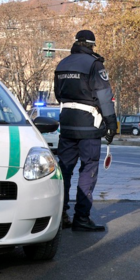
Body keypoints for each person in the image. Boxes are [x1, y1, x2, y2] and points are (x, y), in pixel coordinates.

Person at [54, 29, 118, 232]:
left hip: (66, 124)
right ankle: (81, 218)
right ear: (91, 45)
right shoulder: (94, 64)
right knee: (88, 168)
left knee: (64, 170)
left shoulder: (62, 63)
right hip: (88, 125)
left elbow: (57, 94)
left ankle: (60, 215)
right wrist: (111, 123)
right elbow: (104, 96)